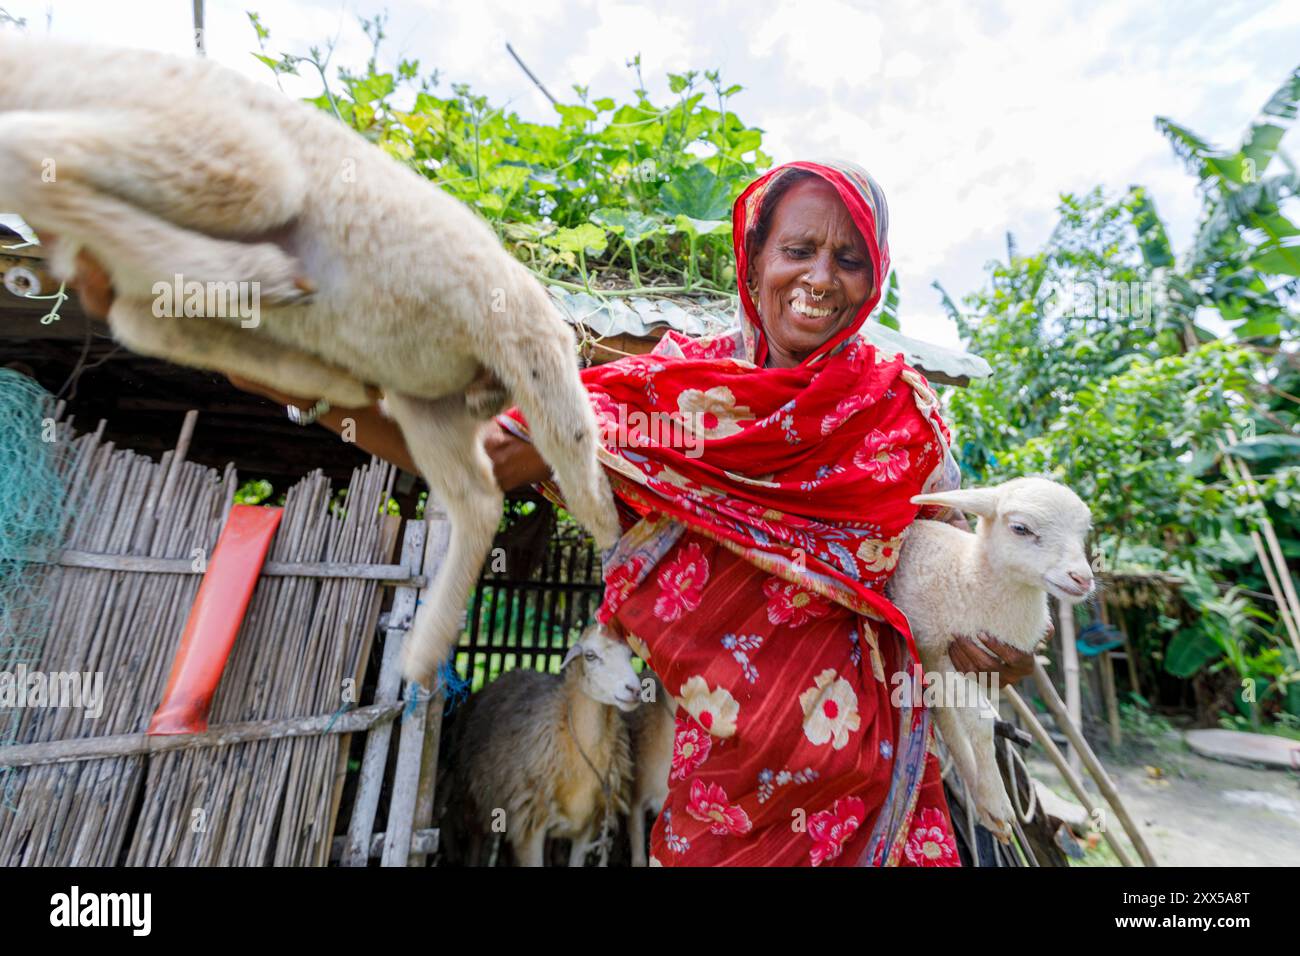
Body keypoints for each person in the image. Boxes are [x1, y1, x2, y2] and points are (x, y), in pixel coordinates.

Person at [65, 157, 1035, 866]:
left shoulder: (899, 418)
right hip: (714, 799)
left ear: (876, 274)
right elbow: (480, 455)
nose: (820, 277)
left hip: (873, 800)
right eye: (798, 248)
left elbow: (952, 587)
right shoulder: (662, 398)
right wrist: (299, 382)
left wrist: (1001, 645)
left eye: (848, 256)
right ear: (754, 253)